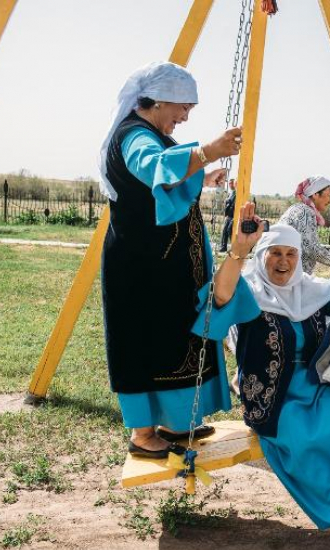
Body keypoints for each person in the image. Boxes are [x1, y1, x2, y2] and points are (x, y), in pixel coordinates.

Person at [193, 204, 330, 550]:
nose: (283, 262)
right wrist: (239, 249)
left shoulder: (313, 291)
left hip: (314, 385)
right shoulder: (247, 293)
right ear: (263, 255)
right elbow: (218, 297)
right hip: (272, 398)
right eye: (275, 254)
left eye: (291, 254)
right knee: (304, 448)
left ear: (299, 257)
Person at [98, 61, 242, 459]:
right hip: (140, 269)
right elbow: (154, 169)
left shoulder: (151, 134)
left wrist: (204, 175)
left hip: (163, 268)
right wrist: (209, 150)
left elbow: (169, 180)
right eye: (183, 108)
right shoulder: (133, 136)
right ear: (160, 100)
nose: (185, 117)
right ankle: (143, 435)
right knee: (141, 344)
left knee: (172, 342)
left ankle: (175, 425)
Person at [278, 176, 330, 275]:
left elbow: (305, 244)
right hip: (288, 274)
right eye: (329, 195)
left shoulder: (299, 209)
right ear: (316, 194)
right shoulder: (305, 212)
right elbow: (311, 249)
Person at [219, 179, 236, 253]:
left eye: (231, 183)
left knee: (230, 230)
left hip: (234, 216)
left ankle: (234, 247)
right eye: (229, 184)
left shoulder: (237, 193)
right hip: (228, 216)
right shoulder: (230, 193)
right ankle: (223, 247)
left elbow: (232, 204)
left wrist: (228, 201)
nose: (230, 185)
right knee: (224, 231)